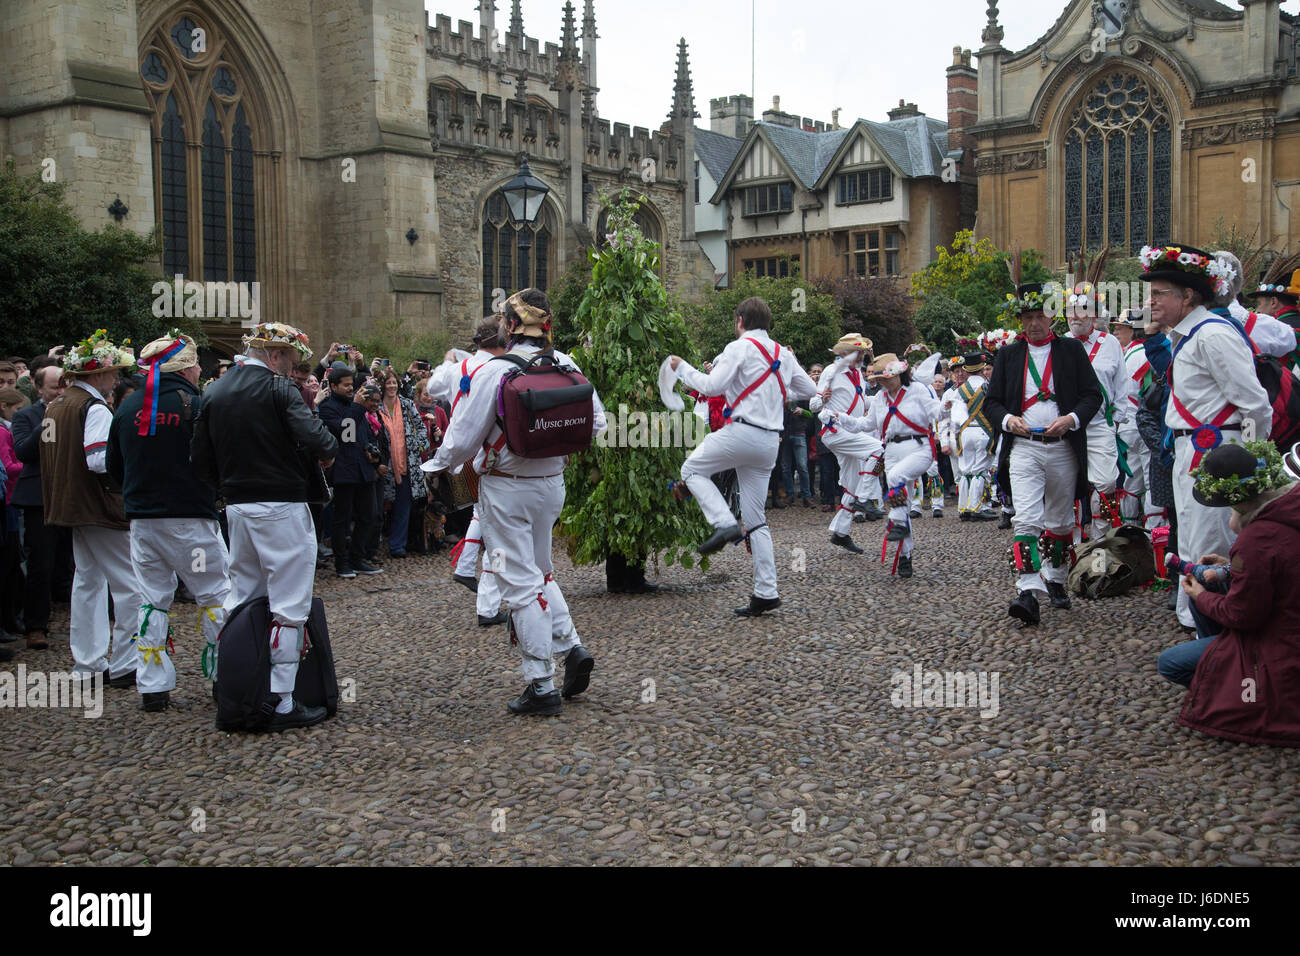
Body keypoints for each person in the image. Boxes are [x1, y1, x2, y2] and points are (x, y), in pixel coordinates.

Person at [422, 289, 605, 716]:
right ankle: (571, 646)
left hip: (506, 487)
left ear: (508, 325)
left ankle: (540, 685)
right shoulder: (567, 365)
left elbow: (462, 437)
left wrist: (437, 467)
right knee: (540, 572)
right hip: (553, 485)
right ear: (547, 326)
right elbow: (598, 424)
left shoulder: (493, 371)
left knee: (520, 584)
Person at [191, 322, 339, 730]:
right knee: (290, 604)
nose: (292, 368)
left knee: (245, 595)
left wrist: (226, 488)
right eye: (290, 360)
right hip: (282, 503)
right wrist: (326, 450)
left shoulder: (214, 391)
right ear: (274, 356)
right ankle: (283, 700)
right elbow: (319, 440)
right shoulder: (278, 389)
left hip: (237, 506)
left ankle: (237, 684)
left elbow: (200, 459)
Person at [1141, 243, 1272, 632]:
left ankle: (1216, 638)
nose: (1151, 301)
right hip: (1190, 451)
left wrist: (1248, 463)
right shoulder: (1188, 335)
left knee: (1210, 544)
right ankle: (1201, 631)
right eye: (1151, 293)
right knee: (1193, 542)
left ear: (1189, 295)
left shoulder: (1213, 335)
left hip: (1215, 453)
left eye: (1160, 293)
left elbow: (1255, 405)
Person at [106, 332, 230, 711]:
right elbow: (216, 460)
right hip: (190, 517)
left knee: (152, 600)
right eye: (196, 366)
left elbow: (114, 468)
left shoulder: (127, 409)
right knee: (214, 596)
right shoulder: (196, 404)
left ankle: (153, 687)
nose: (198, 372)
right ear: (188, 367)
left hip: (144, 521)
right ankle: (224, 677)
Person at [670, 297, 817, 615]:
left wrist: (681, 367)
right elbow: (808, 389)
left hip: (742, 432)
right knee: (757, 521)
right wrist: (775, 389)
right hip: (769, 442)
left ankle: (723, 523)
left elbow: (710, 387)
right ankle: (766, 592)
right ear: (768, 323)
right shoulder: (782, 353)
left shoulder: (737, 347)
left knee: (691, 470)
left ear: (739, 321)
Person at [1160, 442, 1300, 747]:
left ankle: (1233, 694)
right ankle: (1224, 666)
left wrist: (1200, 596)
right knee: (1211, 585)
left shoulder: (1256, 540)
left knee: (1170, 662)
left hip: (1283, 645)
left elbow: (1244, 616)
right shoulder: (1290, 507)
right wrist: (1231, 569)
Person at [984, 284, 1103, 625]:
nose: (1034, 323)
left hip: (1063, 447)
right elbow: (991, 403)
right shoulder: (1007, 355)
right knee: (1027, 518)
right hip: (1023, 448)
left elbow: (1092, 396)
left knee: (1060, 521)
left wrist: (1071, 419)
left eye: (1040, 316)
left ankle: (1055, 576)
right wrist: (1008, 421)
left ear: (1052, 317)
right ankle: (1027, 589)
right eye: (1027, 317)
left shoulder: (1070, 351)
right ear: (1020, 320)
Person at [39, 331, 144, 685]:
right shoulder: (93, 407)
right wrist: (131, 471)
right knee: (130, 586)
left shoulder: (56, 405)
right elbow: (99, 460)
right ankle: (126, 663)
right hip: (98, 506)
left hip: (69, 504)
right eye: (112, 373)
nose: (116, 379)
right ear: (96, 376)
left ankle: (87, 664)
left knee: (87, 582)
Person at [823, 353, 940, 579]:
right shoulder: (880, 399)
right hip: (893, 451)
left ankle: (879, 508)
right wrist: (839, 417)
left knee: (895, 479)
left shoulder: (918, 390)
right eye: (880, 380)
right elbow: (864, 425)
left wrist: (947, 408)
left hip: (917, 447)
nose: (883, 384)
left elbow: (935, 411)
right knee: (902, 502)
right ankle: (905, 555)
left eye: (886, 379)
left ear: (899, 374)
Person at [438, 318, 510, 618]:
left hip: (470, 452)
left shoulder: (461, 369)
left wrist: (446, 364)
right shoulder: (504, 369)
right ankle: (490, 603)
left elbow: (432, 386)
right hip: (491, 458)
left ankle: (468, 568)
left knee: (484, 517)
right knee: (497, 534)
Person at [1064, 286, 1132, 540]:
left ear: (1093, 314)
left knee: (1106, 484)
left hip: (1100, 426)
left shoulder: (1110, 343)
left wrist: (1114, 423)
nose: (1074, 317)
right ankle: (1072, 549)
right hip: (1067, 428)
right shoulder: (1061, 343)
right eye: (1070, 311)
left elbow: (1121, 386)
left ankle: (1100, 545)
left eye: (1081, 311)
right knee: (1068, 487)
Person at [810, 334, 886, 553]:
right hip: (835, 430)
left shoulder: (856, 374)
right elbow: (814, 405)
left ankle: (841, 533)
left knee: (851, 484)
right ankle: (865, 499)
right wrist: (822, 399)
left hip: (850, 429)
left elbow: (862, 402)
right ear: (844, 354)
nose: (862, 356)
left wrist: (883, 398)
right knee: (879, 451)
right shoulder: (831, 372)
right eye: (858, 352)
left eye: (862, 352)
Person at [11, 366, 68, 655]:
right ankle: (36, 626)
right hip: (39, 499)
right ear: (38, 387)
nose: (61, 392)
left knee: (75, 563)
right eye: (55, 387)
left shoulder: (76, 411)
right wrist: (48, 420)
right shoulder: (25, 416)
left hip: (71, 495)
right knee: (40, 565)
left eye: (64, 386)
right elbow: (22, 451)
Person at [318, 364, 382, 578]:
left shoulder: (358, 407)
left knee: (368, 515)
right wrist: (356, 406)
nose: (350, 388)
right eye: (345, 385)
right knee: (342, 519)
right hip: (344, 471)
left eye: (351, 385)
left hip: (363, 469)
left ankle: (357, 558)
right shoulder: (329, 407)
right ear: (334, 386)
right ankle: (342, 563)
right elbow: (345, 431)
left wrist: (372, 452)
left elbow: (364, 435)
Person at [376, 368, 429, 559]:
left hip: (407, 464)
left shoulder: (407, 405)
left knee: (403, 506)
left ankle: (398, 545)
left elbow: (422, 429)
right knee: (379, 506)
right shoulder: (376, 406)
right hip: (384, 465)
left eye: (394, 383)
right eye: (388, 383)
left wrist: (417, 446)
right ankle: (373, 545)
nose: (391, 386)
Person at [949, 353, 999, 521]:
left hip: (965, 432)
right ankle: (976, 508)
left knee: (965, 470)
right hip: (983, 431)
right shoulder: (989, 386)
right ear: (981, 367)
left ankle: (963, 508)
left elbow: (955, 418)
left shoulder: (959, 390)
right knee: (979, 470)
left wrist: (956, 437)